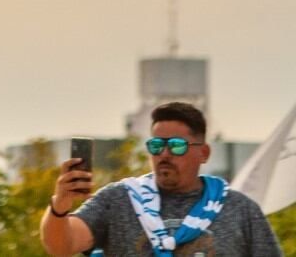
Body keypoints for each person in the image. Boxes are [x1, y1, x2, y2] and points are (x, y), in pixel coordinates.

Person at [41, 101, 283, 256]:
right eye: (156, 145)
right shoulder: (119, 200)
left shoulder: (240, 210)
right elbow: (61, 246)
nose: (164, 154)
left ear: (204, 153)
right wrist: (60, 206)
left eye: (176, 146)